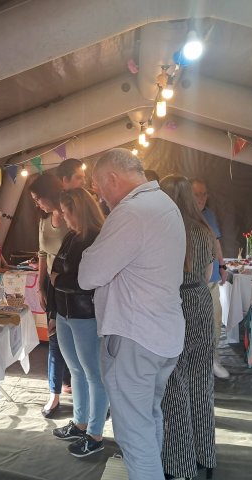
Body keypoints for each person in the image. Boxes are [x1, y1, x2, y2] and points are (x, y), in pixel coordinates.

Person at [78, 148, 186, 480]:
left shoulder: (131, 212)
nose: (99, 196)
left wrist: (91, 255)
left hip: (134, 336)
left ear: (112, 178)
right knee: (148, 419)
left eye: (99, 187)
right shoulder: (164, 204)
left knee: (134, 434)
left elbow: (88, 275)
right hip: (161, 334)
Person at [160, 175, 217, 480]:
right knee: (201, 381)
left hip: (176, 304)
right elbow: (207, 274)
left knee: (174, 383)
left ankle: (179, 464)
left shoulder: (167, 229)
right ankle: (205, 454)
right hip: (201, 301)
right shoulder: (204, 229)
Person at [49, 188, 109, 457]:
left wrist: (59, 281)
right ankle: (80, 422)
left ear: (79, 211)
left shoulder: (97, 237)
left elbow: (88, 280)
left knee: (94, 374)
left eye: (66, 212)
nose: (63, 217)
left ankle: (95, 434)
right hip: (65, 312)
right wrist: (54, 311)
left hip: (86, 314)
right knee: (76, 370)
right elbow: (56, 271)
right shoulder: (72, 236)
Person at [29, 173, 70, 417]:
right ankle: (53, 394)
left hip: (73, 287)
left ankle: (80, 389)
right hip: (52, 286)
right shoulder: (44, 221)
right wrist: (40, 286)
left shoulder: (72, 217)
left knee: (74, 342)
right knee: (54, 340)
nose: (37, 204)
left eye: (38, 198)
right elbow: (42, 254)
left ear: (49, 194)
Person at [191, 179, 230, 379]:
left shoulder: (209, 214)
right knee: (195, 322)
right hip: (190, 281)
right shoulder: (181, 216)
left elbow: (216, 242)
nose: (201, 198)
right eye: (196, 194)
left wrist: (222, 266)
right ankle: (196, 360)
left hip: (212, 278)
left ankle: (211, 357)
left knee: (215, 318)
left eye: (204, 194)